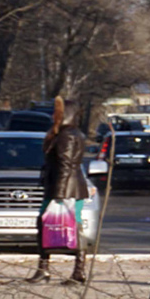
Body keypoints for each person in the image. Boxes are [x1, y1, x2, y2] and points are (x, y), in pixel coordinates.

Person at [30, 96, 91, 285]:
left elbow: (66, 165)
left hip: (67, 189)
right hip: (62, 187)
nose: (53, 115)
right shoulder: (64, 132)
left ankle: (76, 272)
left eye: (57, 111)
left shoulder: (68, 135)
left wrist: (59, 194)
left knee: (71, 226)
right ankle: (45, 269)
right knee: (46, 224)